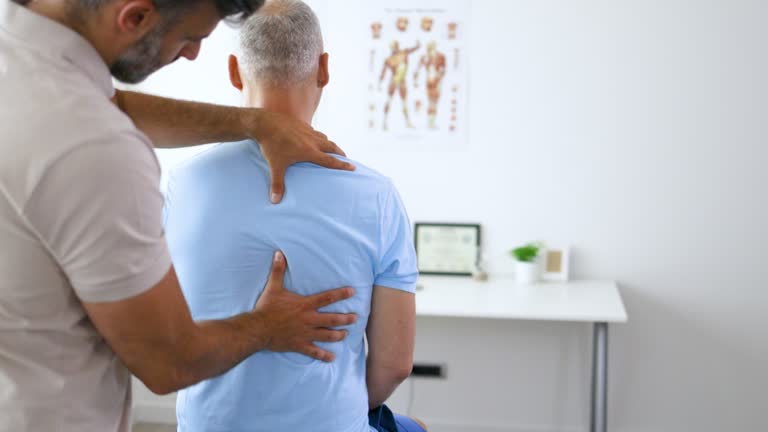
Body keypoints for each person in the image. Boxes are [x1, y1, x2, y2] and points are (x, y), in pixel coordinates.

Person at [0, 1, 359, 431]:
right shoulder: (97, 148)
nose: (190, 55)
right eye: (191, 39)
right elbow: (169, 361)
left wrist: (256, 123)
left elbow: (103, 105)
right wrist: (270, 324)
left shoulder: (23, 59)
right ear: (135, 17)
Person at [164, 1, 427, 431]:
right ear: (324, 69)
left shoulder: (183, 183)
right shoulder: (375, 194)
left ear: (234, 72)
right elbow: (395, 364)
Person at [379, 40, 421, 131]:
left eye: (395, 46)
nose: (394, 48)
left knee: (404, 102)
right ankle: (384, 122)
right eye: (393, 47)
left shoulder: (404, 53)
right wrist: (380, 83)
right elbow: (383, 72)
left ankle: (407, 122)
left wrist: (417, 45)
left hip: (402, 81)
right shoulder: (389, 59)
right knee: (389, 100)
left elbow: (413, 49)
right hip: (394, 81)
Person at [414, 41, 447, 129]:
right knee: (432, 102)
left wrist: (439, 79)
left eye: (432, 49)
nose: (430, 51)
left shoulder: (440, 56)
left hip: (436, 80)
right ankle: (430, 122)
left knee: (434, 102)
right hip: (430, 81)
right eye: (429, 49)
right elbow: (417, 69)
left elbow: (443, 70)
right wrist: (416, 79)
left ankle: (431, 122)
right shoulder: (425, 57)